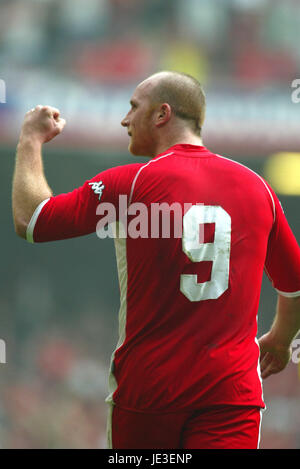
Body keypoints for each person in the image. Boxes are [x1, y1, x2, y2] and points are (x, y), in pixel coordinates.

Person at [12, 71, 300, 449]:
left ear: (162, 114)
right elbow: (294, 282)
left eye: (133, 108)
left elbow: (31, 220)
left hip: (148, 396)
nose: (124, 120)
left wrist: (30, 139)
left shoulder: (130, 185)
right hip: (230, 398)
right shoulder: (258, 188)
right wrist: (281, 339)